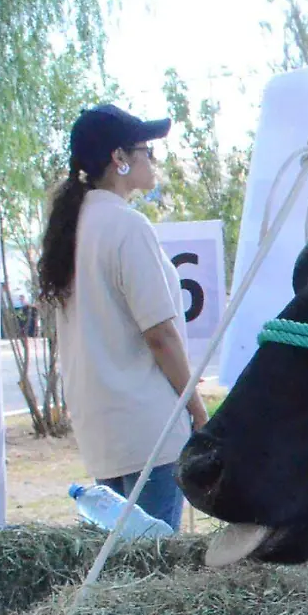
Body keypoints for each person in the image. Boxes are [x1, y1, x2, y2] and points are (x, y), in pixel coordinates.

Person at [36, 103, 206, 531]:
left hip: (101, 428)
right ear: (120, 159)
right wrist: (198, 410)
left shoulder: (70, 228)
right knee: (153, 560)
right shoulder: (126, 226)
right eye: (147, 150)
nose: (152, 160)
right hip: (148, 428)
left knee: (118, 565)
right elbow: (160, 335)